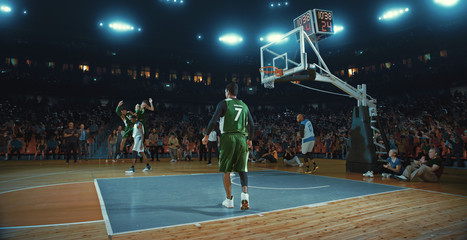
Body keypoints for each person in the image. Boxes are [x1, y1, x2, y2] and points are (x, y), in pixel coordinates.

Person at [202, 82, 255, 210]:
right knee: (243, 169)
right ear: (237, 93)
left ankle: (229, 200)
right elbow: (252, 125)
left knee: (227, 170)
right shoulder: (244, 105)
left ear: (227, 92)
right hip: (242, 138)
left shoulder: (224, 103)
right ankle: (245, 196)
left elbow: (213, 120)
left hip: (228, 138)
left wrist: (206, 135)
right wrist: (250, 139)